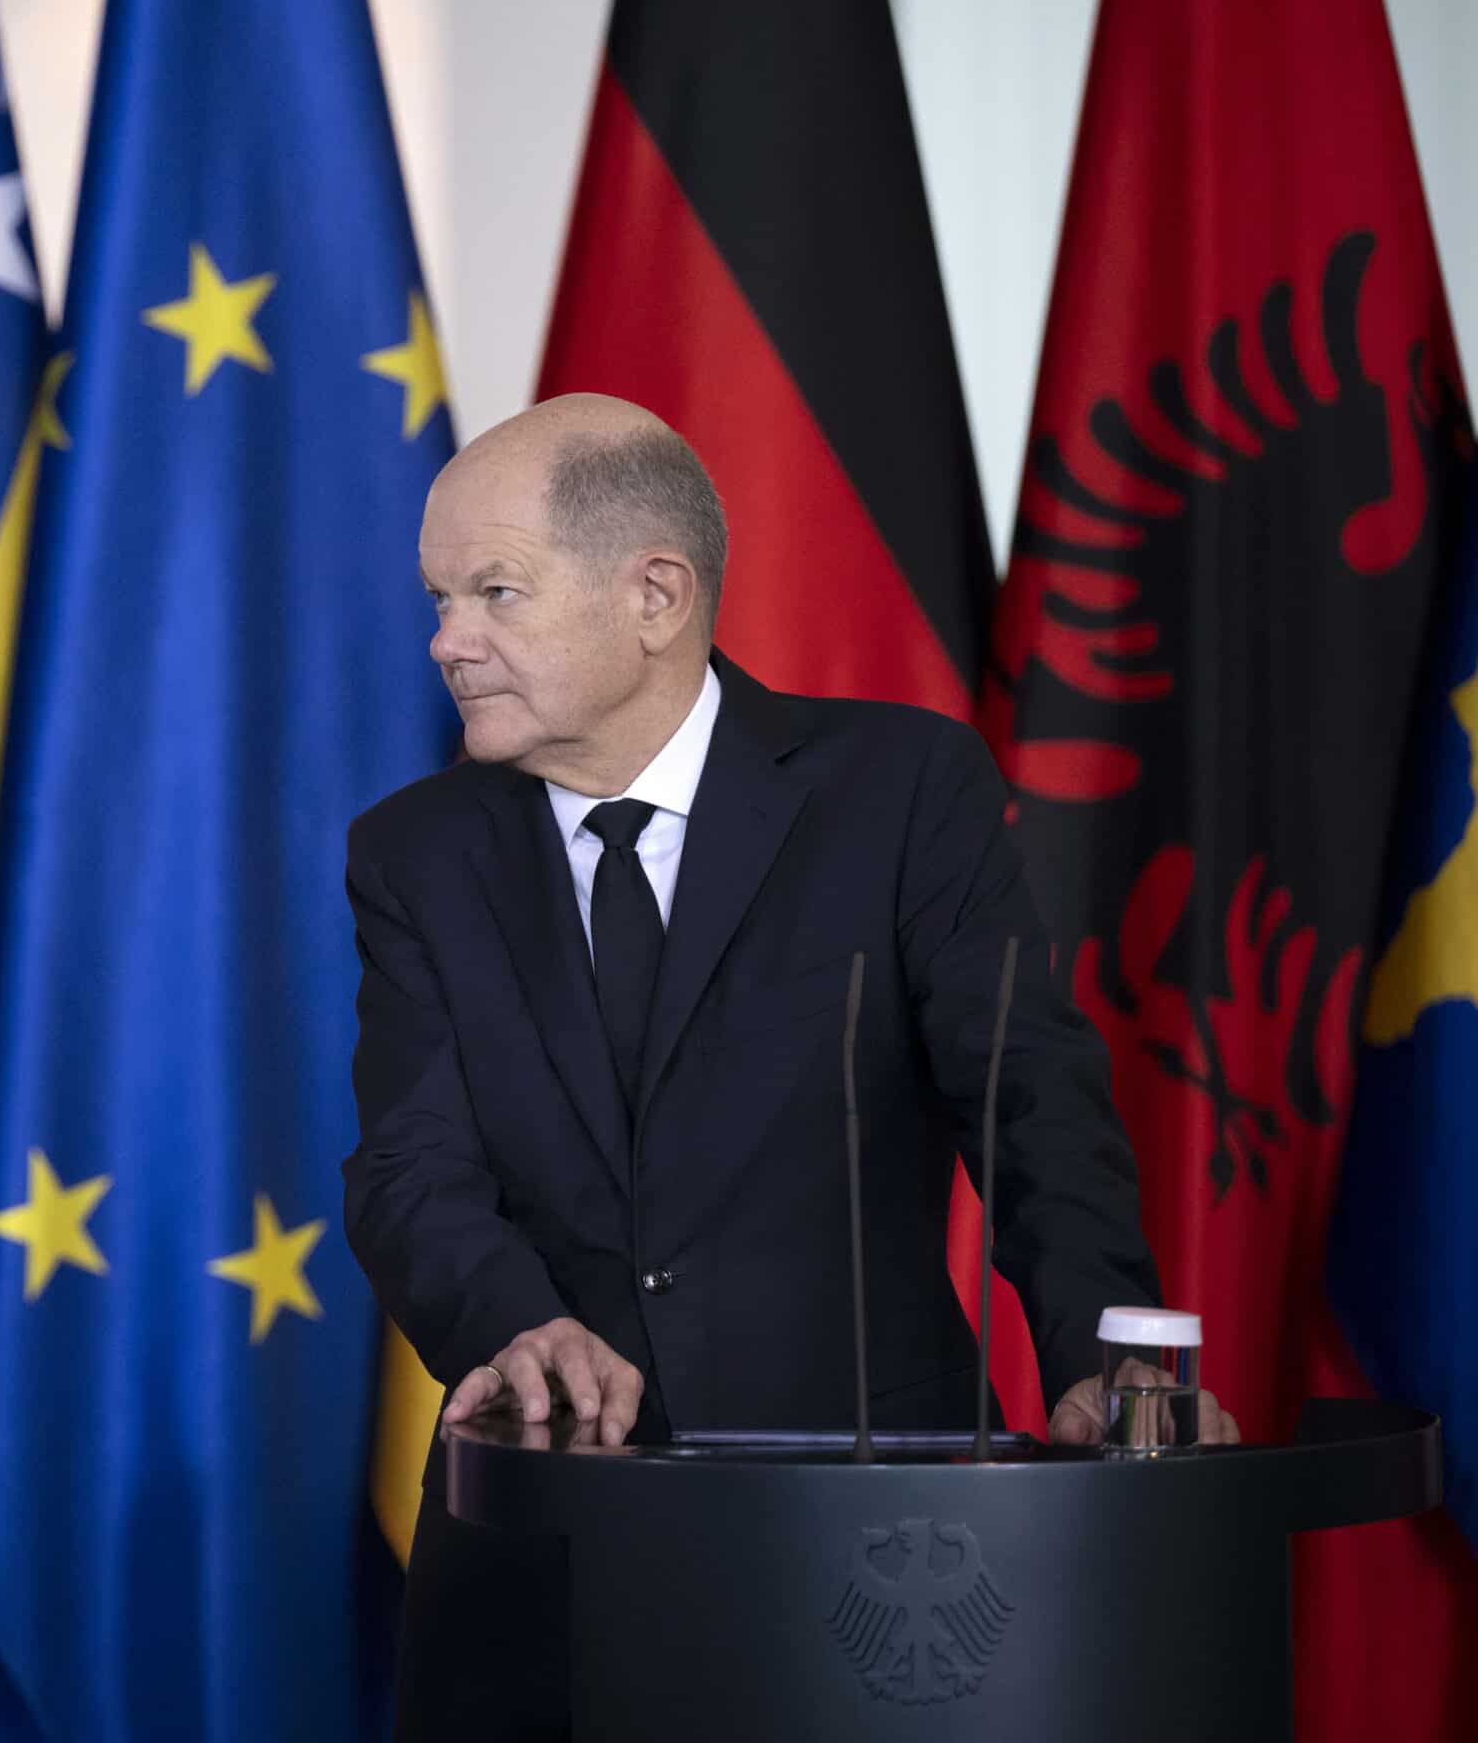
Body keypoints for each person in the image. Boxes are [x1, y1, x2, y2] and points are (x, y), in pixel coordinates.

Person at [341, 394, 1232, 1737]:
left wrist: (1100, 1351)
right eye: (439, 598)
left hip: (881, 1533)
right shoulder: (413, 851)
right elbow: (411, 1164)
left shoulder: (898, 789)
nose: (447, 642)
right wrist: (513, 1328)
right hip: (554, 1523)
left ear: (655, 594)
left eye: (494, 593)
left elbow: (1030, 1101)